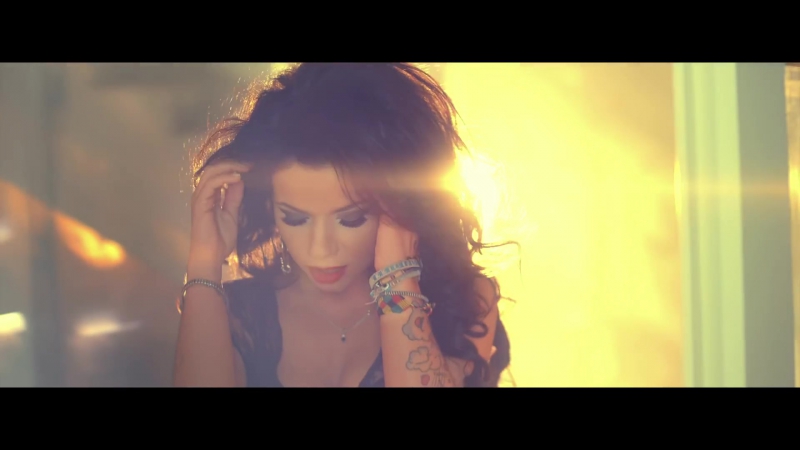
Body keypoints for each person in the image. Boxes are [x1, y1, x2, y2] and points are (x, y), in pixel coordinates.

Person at [172, 63, 512, 387]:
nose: (321, 250)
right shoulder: (238, 314)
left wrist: (397, 274)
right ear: (269, 207)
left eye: (351, 219)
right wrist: (204, 263)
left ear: (397, 204)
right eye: (295, 218)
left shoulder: (462, 303)